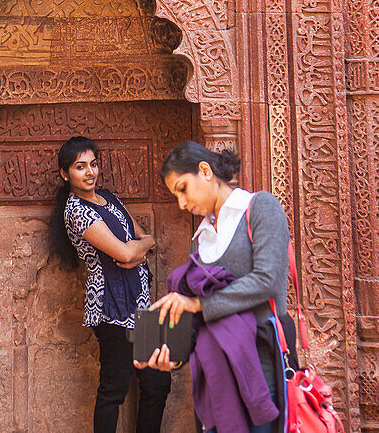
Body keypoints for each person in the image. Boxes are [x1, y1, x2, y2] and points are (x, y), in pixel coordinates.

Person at [135, 141, 290, 433]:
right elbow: (200, 323)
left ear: (205, 171)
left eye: (182, 189)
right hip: (216, 385)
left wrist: (198, 304)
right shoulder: (200, 238)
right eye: (175, 196)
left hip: (261, 372)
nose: (182, 203)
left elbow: (268, 280)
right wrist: (173, 357)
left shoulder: (259, 208)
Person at [49, 135, 171, 433]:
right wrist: (136, 251)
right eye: (80, 167)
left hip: (141, 301)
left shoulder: (108, 198)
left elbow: (146, 241)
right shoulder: (76, 210)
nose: (89, 172)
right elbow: (127, 250)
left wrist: (140, 249)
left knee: (157, 383)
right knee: (114, 388)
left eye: (93, 164)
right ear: (66, 174)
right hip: (110, 305)